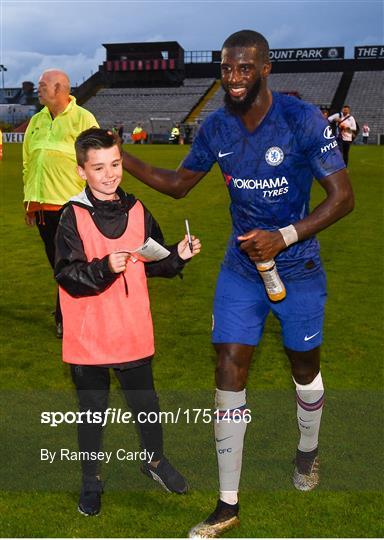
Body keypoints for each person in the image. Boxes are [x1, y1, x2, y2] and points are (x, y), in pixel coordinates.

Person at [121, 29, 354, 538]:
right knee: (228, 370)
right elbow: (181, 186)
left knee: (304, 368)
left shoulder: (301, 120)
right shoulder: (217, 126)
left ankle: (307, 452)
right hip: (240, 269)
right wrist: (124, 162)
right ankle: (228, 503)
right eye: (227, 68)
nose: (233, 77)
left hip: (300, 268)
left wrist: (284, 236)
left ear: (266, 68)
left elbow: (342, 197)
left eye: (244, 68)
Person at [54, 128, 201, 516]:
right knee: (92, 412)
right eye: (98, 167)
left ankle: (154, 462)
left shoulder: (136, 209)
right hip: (89, 335)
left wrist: (178, 255)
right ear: (81, 171)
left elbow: (154, 262)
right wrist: (103, 268)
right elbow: (67, 274)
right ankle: (91, 481)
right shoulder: (72, 215)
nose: (109, 174)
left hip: (132, 329)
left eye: (115, 164)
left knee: (146, 406)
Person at [22, 69, 98, 338]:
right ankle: (69, 313)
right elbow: (28, 162)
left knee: (66, 265)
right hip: (41, 207)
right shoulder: (36, 121)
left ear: (60, 89)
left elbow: (95, 161)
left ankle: (66, 318)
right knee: (58, 264)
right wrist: (28, 200)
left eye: (43, 85)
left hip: (70, 207)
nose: (38, 89)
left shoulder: (83, 119)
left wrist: (94, 203)